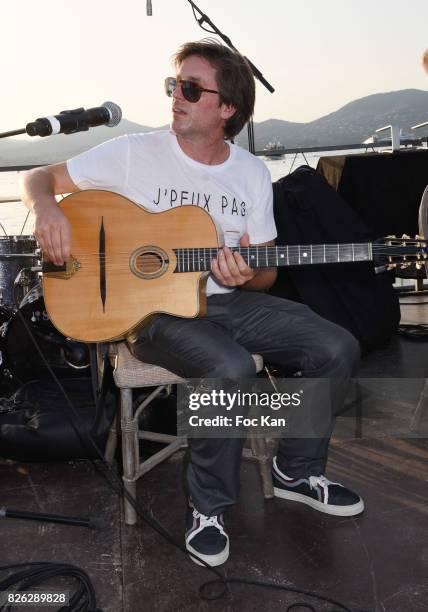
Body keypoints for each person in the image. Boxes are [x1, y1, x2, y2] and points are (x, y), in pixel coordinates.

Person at [21, 39, 363, 568]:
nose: (174, 96)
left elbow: (266, 274)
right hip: (151, 313)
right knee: (226, 367)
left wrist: (247, 274)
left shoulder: (250, 174)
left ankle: (296, 471)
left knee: (337, 346)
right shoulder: (135, 152)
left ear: (227, 108)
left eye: (189, 88)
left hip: (228, 302)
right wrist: (47, 209)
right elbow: (38, 177)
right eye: (173, 85)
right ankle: (208, 509)